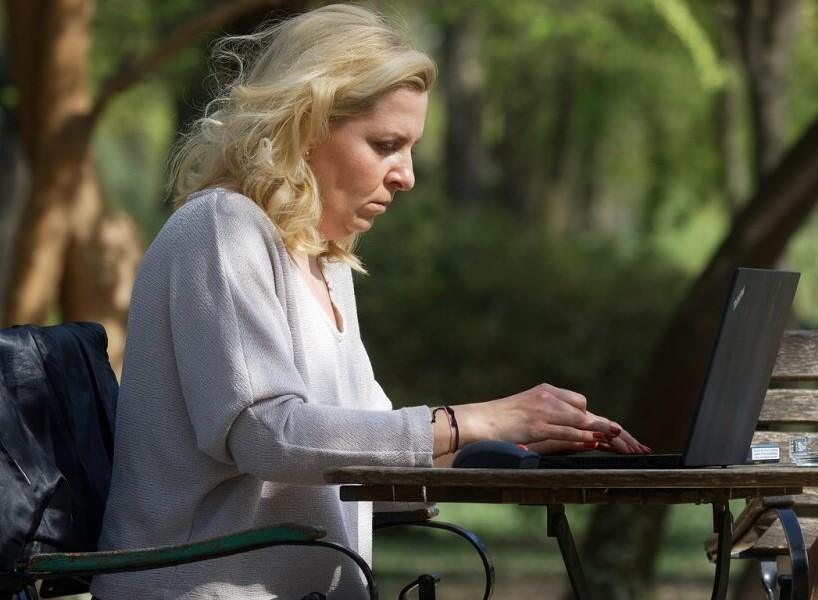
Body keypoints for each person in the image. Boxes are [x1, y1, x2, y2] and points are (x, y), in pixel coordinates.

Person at [91, 5, 647, 599]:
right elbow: (266, 435)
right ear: (302, 126)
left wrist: (513, 446)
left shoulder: (326, 262)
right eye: (385, 144)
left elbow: (369, 458)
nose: (406, 175)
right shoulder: (220, 229)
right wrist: (473, 419)